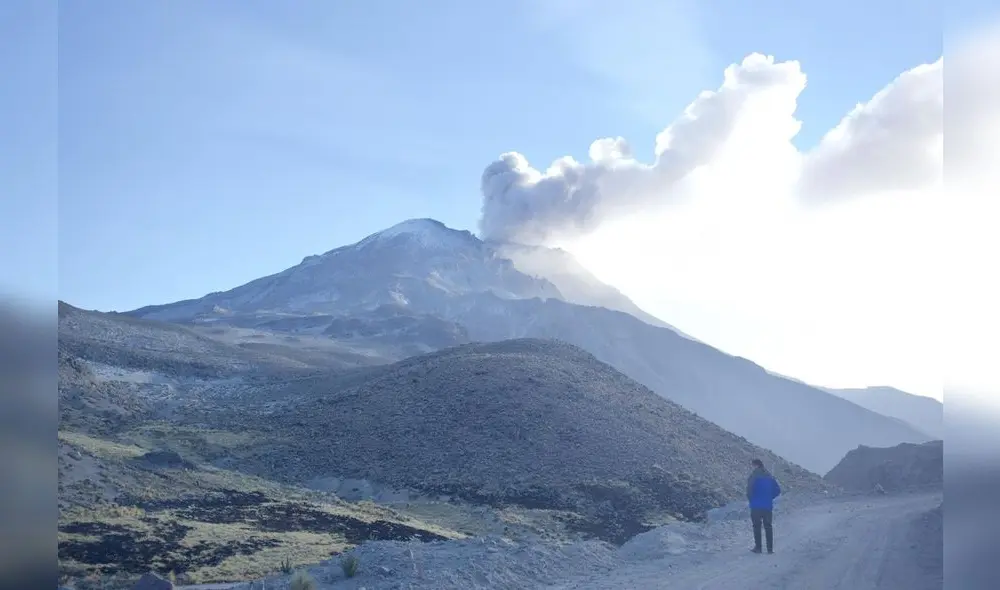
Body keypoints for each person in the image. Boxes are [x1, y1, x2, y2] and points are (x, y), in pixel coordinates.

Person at [746, 458, 781, 554]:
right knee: (768, 526)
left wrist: (752, 500)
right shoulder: (770, 477)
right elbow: (778, 490)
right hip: (767, 506)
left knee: (757, 526)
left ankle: (758, 548)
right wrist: (769, 497)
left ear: (756, 465)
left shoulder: (753, 476)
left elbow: (749, 491)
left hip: (756, 506)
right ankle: (770, 549)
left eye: (752, 465)